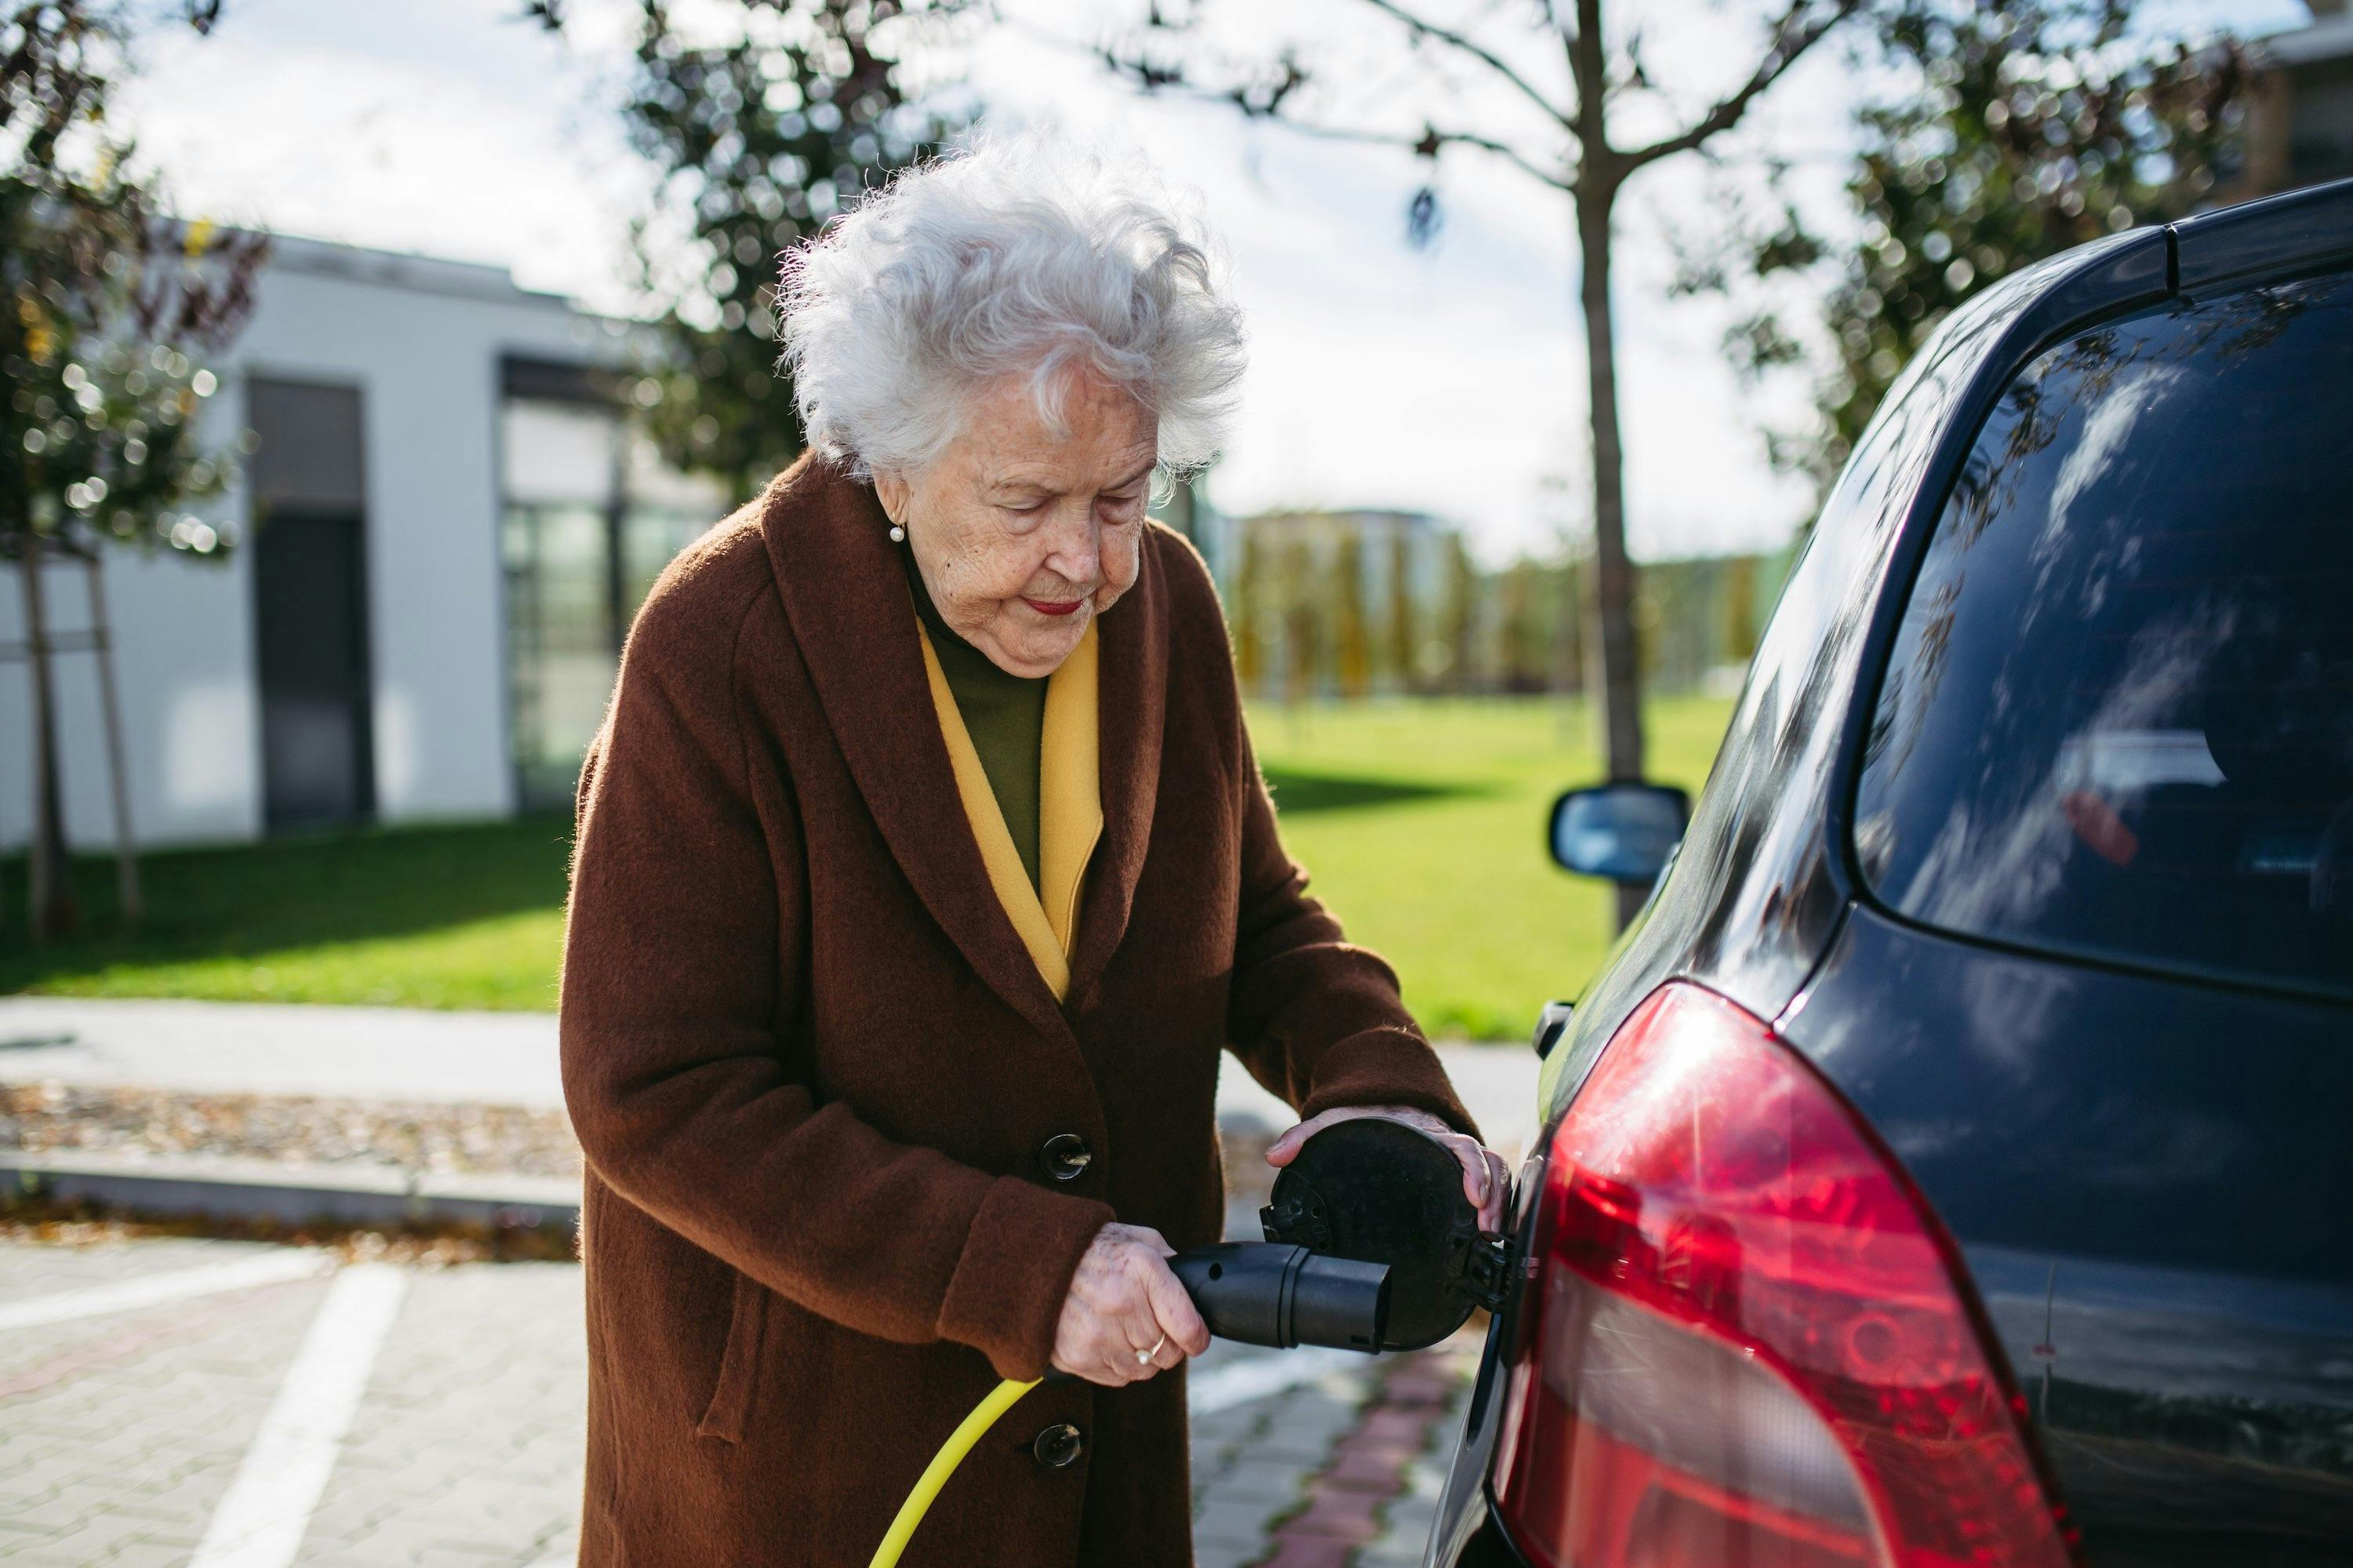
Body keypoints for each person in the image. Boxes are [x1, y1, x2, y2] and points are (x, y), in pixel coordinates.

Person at [556, 132, 1506, 1568]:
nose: (1089, 562)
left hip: (1099, 1456)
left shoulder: (1166, 606)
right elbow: (653, 1089)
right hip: (812, 1471)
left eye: (1123, 493)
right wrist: (1018, 1269)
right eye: (1025, 503)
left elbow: (1255, 920)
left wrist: (1387, 1094)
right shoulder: (721, 643)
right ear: (889, 464)